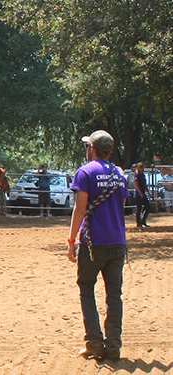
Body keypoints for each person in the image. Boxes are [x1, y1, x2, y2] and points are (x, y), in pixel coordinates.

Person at [67, 130, 128, 361]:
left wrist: (71, 240)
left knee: (86, 288)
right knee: (114, 295)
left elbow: (80, 209)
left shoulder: (85, 172)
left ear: (92, 148)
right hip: (117, 242)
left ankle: (94, 343)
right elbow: (120, 204)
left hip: (93, 242)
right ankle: (113, 346)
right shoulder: (120, 175)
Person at [134, 162, 151, 227]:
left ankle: (143, 221)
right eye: (141, 167)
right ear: (138, 168)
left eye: (143, 167)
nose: (142, 168)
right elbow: (136, 185)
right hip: (138, 194)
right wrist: (140, 193)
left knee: (148, 207)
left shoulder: (143, 175)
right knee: (139, 208)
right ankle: (139, 223)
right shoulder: (137, 175)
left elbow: (145, 185)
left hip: (143, 193)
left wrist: (148, 193)